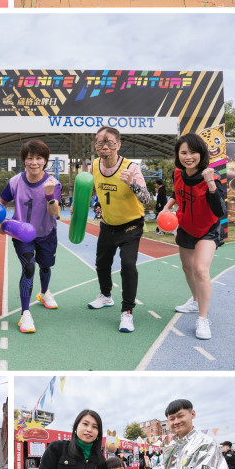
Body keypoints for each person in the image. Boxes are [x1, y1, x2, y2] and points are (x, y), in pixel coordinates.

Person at [85, 127, 151, 334]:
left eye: (110, 143)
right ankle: (106, 296)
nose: (105, 147)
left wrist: (132, 183)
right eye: (100, 143)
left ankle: (127, 311)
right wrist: (97, 205)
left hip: (131, 225)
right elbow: (97, 191)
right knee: (101, 263)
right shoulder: (94, 166)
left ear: (118, 145)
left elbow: (146, 199)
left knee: (128, 265)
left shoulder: (131, 168)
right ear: (96, 145)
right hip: (107, 224)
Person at [162, 133, 226, 339]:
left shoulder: (212, 176)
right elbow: (176, 192)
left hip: (207, 229)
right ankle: (195, 301)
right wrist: (167, 207)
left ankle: (203, 319)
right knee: (187, 268)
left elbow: (220, 210)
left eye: (193, 152)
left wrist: (210, 183)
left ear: (201, 153)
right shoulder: (178, 173)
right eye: (183, 153)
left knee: (200, 269)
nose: (188, 157)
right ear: (178, 154)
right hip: (185, 227)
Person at [0, 139, 62, 334]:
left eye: (39, 158)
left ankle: (43, 293)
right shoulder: (14, 182)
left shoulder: (53, 183)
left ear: (45, 161)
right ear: (23, 161)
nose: (34, 162)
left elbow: (55, 214)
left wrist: (49, 195)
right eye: (30, 158)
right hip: (22, 234)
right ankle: (25, 313)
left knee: (45, 266)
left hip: (46, 233)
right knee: (28, 267)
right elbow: (1, 202)